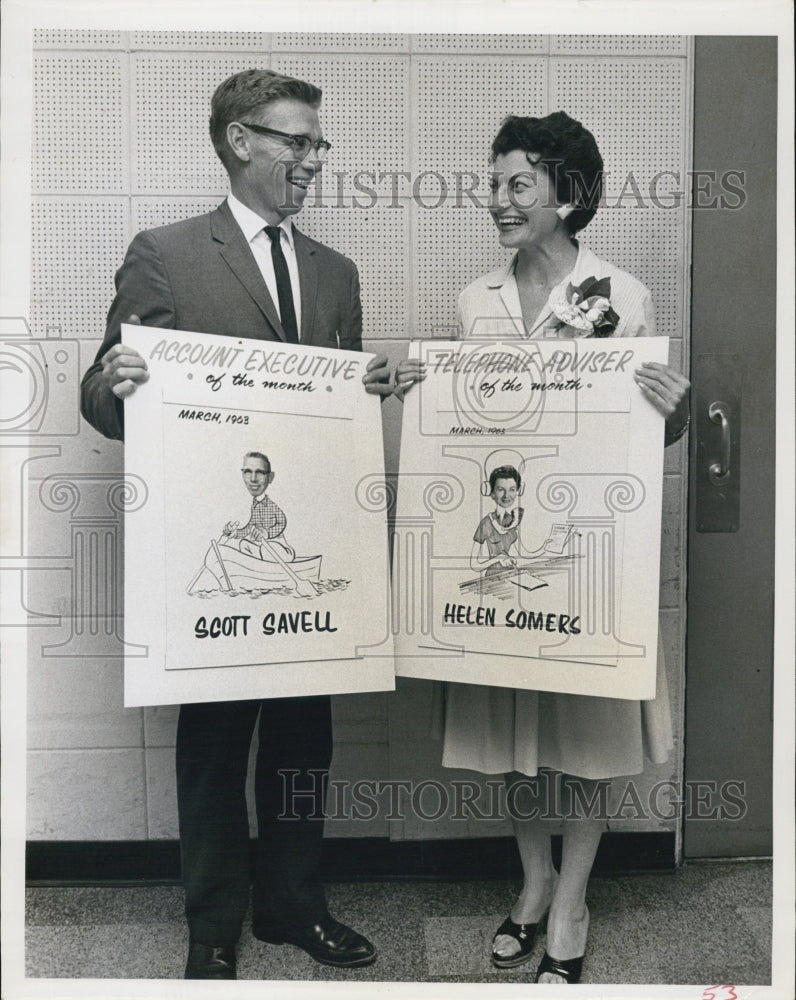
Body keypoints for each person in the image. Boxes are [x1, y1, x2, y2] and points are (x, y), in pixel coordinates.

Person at [80, 68, 393, 979]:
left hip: (301, 554)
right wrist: (119, 385)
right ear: (239, 141)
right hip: (207, 557)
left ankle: (295, 907)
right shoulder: (166, 254)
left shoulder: (336, 273)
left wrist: (366, 389)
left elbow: (336, 421)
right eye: (297, 141)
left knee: (304, 738)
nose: (313, 160)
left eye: (318, 144)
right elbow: (102, 395)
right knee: (215, 745)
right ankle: (213, 926)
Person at [394, 111, 690, 984]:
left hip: (586, 556)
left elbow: (638, 439)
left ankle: (573, 900)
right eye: (493, 184)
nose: (498, 200)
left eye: (517, 183)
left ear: (567, 193)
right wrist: (420, 392)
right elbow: (468, 433)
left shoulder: (622, 297)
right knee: (513, 730)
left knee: (587, 730)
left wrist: (669, 417)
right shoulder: (473, 302)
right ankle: (532, 883)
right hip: (505, 561)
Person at [222, 451, 295, 561]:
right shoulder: (255, 506)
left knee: (267, 549)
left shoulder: (271, 506)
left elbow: (282, 522)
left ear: (270, 477)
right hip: (262, 549)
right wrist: (233, 532)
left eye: (260, 473)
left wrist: (267, 533)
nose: (253, 479)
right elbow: (249, 528)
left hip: (279, 548)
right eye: (247, 472)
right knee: (244, 545)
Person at [471, 465, 524, 577]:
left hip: (512, 574)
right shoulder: (485, 523)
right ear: (491, 492)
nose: (506, 495)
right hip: (493, 578)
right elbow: (474, 565)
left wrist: (545, 547)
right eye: (500, 489)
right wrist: (498, 559)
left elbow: (521, 553)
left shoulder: (511, 519)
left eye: (512, 489)